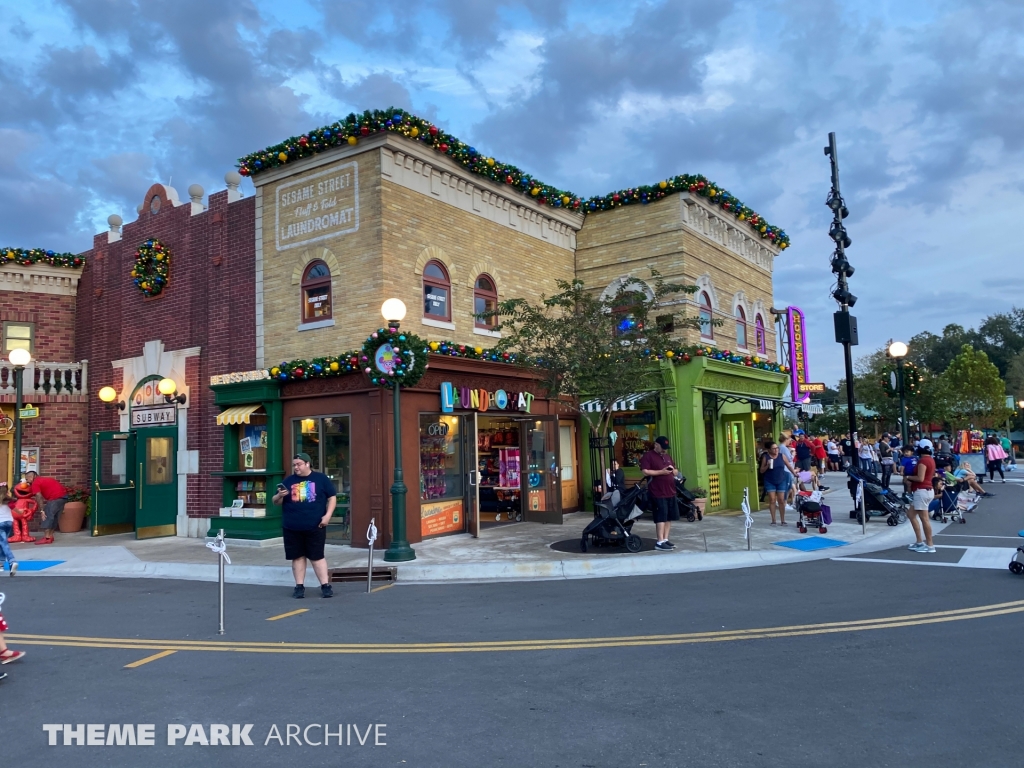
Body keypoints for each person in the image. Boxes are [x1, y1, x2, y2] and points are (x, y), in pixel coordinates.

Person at [272, 453, 337, 598]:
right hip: (292, 526)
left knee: (317, 556)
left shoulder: (321, 479)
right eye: (294, 464)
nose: (296, 467)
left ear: (308, 464)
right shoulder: (288, 481)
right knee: (297, 557)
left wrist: (327, 516)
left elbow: (332, 497)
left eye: (299, 464)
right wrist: (279, 495)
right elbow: (275, 501)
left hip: (315, 525)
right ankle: (299, 587)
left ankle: (325, 586)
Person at [640, 436, 680, 551]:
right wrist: (661, 472)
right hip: (657, 491)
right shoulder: (648, 456)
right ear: (656, 445)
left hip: (670, 491)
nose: (664, 450)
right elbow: (645, 472)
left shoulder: (667, 456)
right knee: (661, 516)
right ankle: (660, 541)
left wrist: (673, 471)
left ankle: (666, 539)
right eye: (662, 448)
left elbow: (676, 471)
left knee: (669, 516)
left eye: (666, 448)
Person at [24, 470, 68, 546]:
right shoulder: (45, 479)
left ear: (31, 477)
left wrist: (41, 510)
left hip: (54, 498)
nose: (27, 482)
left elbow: (38, 496)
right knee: (55, 517)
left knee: (47, 516)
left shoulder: (36, 483)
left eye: (27, 479)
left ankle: (47, 538)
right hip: (63, 497)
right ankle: (50, 536)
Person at [907, 445, 936, 553]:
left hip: (922, 490)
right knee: (910, 514)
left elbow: (920, 478)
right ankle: (919, 541)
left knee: (924, 518)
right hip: (927, 490)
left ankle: (930, 545)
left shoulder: (923, 461)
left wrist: (908, 477)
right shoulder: (931, 460)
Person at [759, 441, 795, 525]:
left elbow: (789, 466)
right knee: (772, 500)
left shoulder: (781, 456)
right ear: (769, 450)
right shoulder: (766, 457)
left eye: (777, 448)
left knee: (781, 500)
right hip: (769, 480)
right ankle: (773, 520)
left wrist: (794, 473)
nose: (776, 450)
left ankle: (783, 520)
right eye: (774, 448)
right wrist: (767, 465)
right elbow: (761, 470)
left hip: (781, 480)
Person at [778, 435, 798, 508]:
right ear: (786, 439)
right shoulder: (784, 448)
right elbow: (789, 459)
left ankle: (783, 502)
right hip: (786, 470)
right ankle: (784, 503)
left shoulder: (780, 447)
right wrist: (793, 454)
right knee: (787, 487)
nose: (790, 441)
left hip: (784, 470)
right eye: (789, 440)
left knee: (788, 487)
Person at [0, 487, 16, 575]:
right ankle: (1, 564)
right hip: (9, 523)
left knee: (3, 544)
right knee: (2, 543)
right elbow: (15, 509)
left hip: (0, 524)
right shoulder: (9, 501)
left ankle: (12, 561)